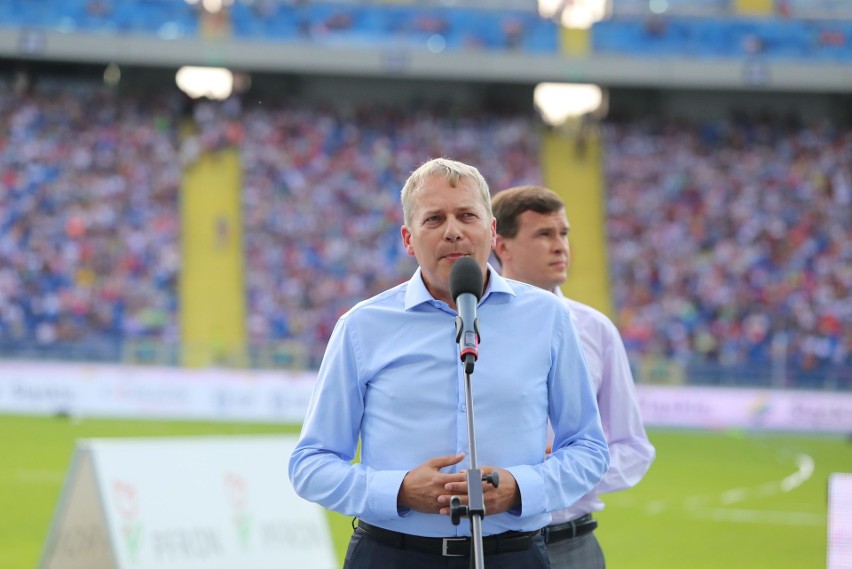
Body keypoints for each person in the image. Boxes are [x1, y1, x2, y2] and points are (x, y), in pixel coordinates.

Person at [289, 158, 610, 568]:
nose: (453, 230)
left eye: (467, 215)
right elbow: (310, 464)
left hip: (514, 554)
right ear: (408, 238)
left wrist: (519, 488)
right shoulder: (362, 326)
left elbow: (588, 447)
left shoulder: (547, 317)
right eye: (434, 219)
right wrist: (400, 490)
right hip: (391, 555)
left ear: (491, 231)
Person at [492, 185, 656, 568]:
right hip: (496, 544)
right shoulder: (470, 326)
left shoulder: (596, 330)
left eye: (563, 233)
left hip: (573, 545)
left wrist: (565, 474)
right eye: (543, 235)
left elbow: (632, 448)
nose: (560, 246)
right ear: (502, 246)